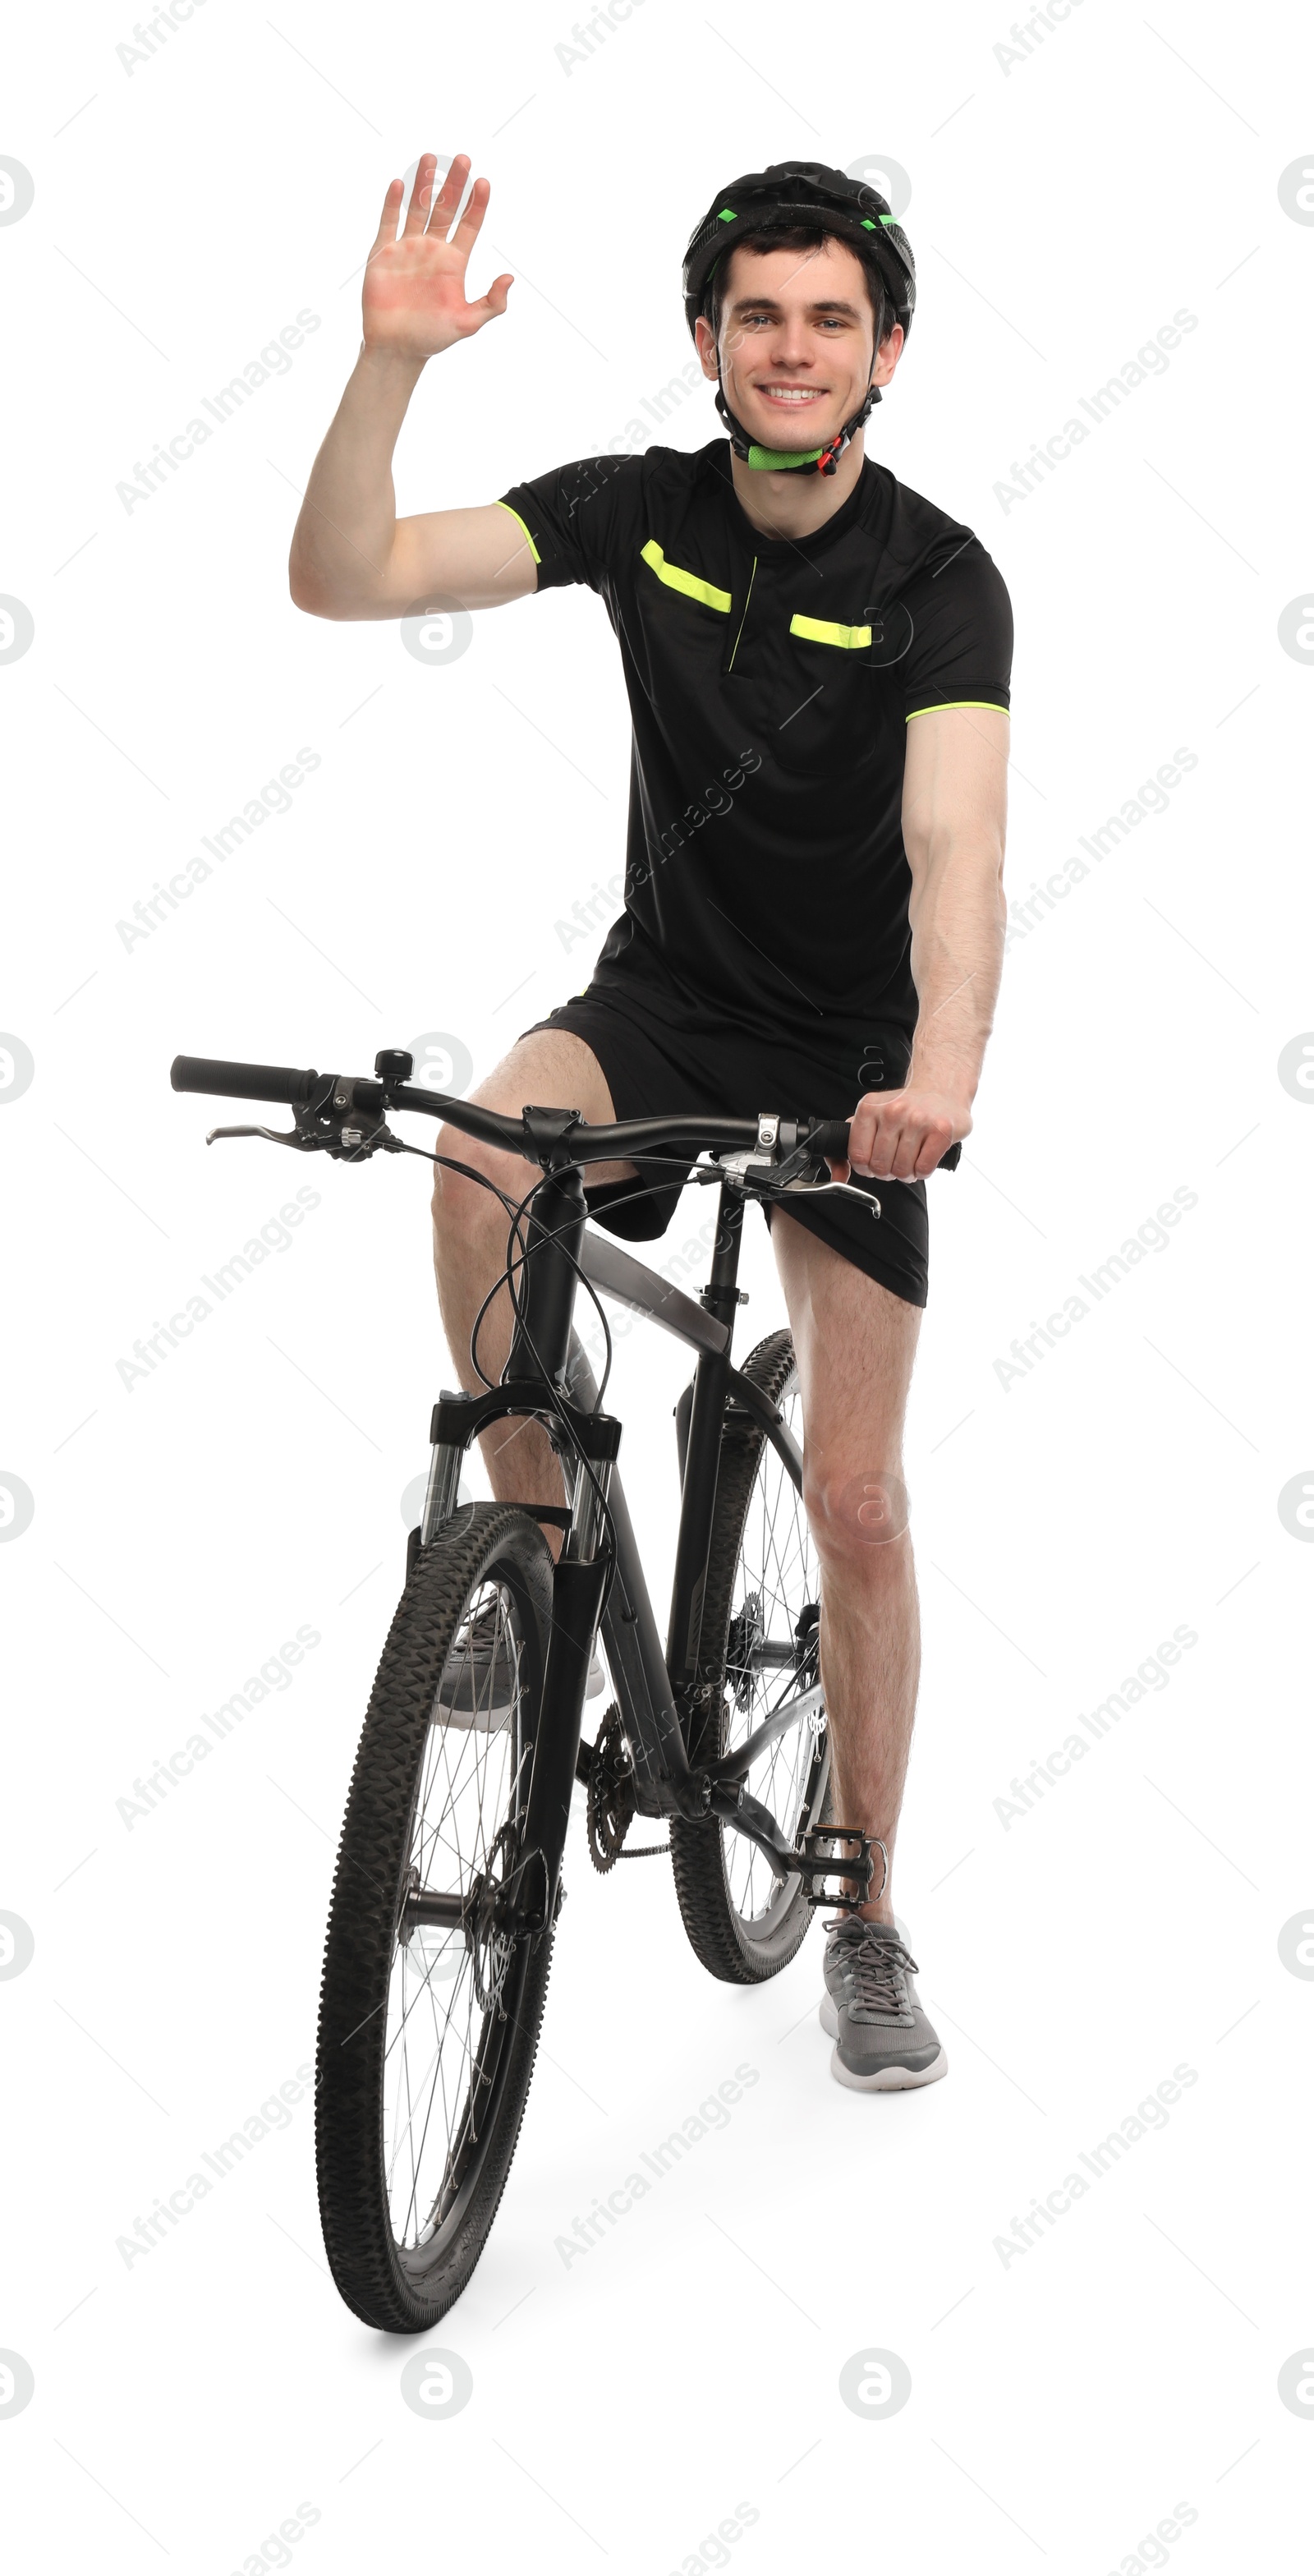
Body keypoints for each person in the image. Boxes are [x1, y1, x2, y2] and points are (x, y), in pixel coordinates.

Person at [289, 153, 1012, 2092]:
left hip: (853, 1059)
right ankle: (531, 1573)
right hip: (665, 1001)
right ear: (706, 339)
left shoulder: (940, 580)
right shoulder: (643, 512)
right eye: (756, 315)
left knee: (850, 1497)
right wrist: (387, 367)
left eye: (827, 321)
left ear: (882, 356)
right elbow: (344, 576)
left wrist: (934, 1072)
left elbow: (955, 850)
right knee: (478, 1151)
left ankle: (859, 1909)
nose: (789, 349)